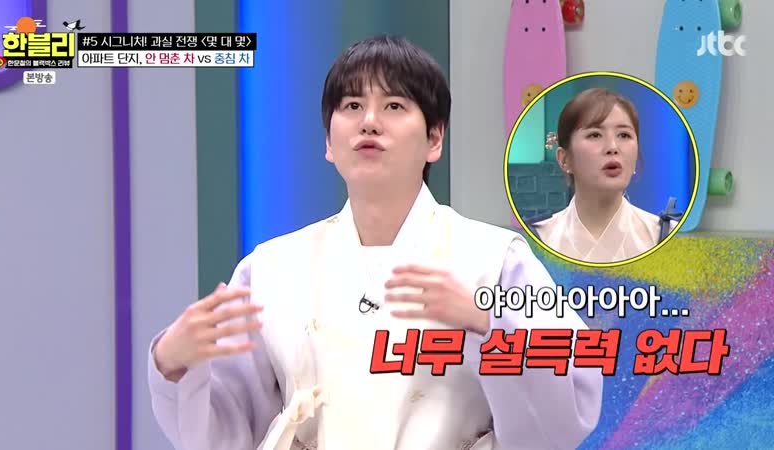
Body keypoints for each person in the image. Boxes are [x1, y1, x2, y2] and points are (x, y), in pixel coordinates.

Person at [148, 35, 603, 450]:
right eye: (351, 105)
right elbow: (228, 432)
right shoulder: (272, 269)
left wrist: (487, 324)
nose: (369, 121)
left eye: (393, 105)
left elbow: (564, 414)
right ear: (329, 143)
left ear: (434, 139)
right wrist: (173, 364)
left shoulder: (495, 260)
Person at [527, 88, 680, 264]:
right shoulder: (537, 240)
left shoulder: (664, 235)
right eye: (595, 135)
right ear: (564, 159)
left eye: (624, 135)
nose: (613, 147)